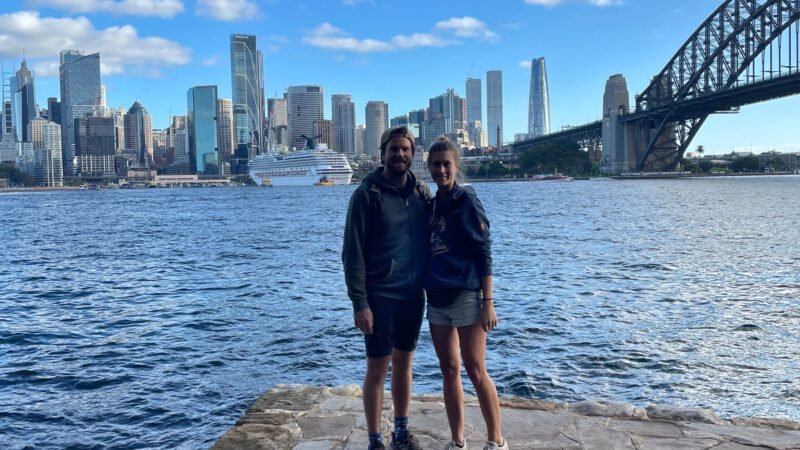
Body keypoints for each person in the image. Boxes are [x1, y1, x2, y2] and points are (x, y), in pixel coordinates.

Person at [342, 126, 431, 450]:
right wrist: (359, 303)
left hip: (412, 295)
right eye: (394, 149)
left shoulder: (421, 192)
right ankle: (375, 439)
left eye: (406, 149)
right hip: (380, 296)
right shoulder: (367, 195)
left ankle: (401, 433)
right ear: (382, 154)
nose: (400, 155)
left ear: (413, 154)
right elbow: (352, 254)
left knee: (405, 364)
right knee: (378, 367)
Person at [425, 137, 508, 450]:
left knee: (475, 369)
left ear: (456, 166)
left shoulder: (466, 199)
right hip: (436, 300)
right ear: (428, 168)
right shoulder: (432, 205)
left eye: (447, 163)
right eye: (436, 164)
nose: (442, 169)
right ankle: (458, 441)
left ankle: (496, 441)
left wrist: (488, 302)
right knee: (449, 370)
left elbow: (484, 251)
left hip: (466, 296)